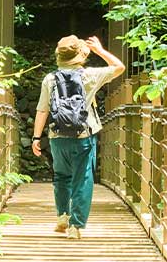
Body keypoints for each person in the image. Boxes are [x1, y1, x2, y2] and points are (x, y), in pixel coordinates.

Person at [30, 34, 125, 238]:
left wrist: (36, 138)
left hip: (57, 136)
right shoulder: (89, 75)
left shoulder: (50, 79)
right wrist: (100, 50)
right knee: (83, 179)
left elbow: (42, 110)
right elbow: (119, 67)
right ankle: (76, 226)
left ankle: (62, 216)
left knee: (61, 176)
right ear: (80, 55)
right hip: (84, 135)